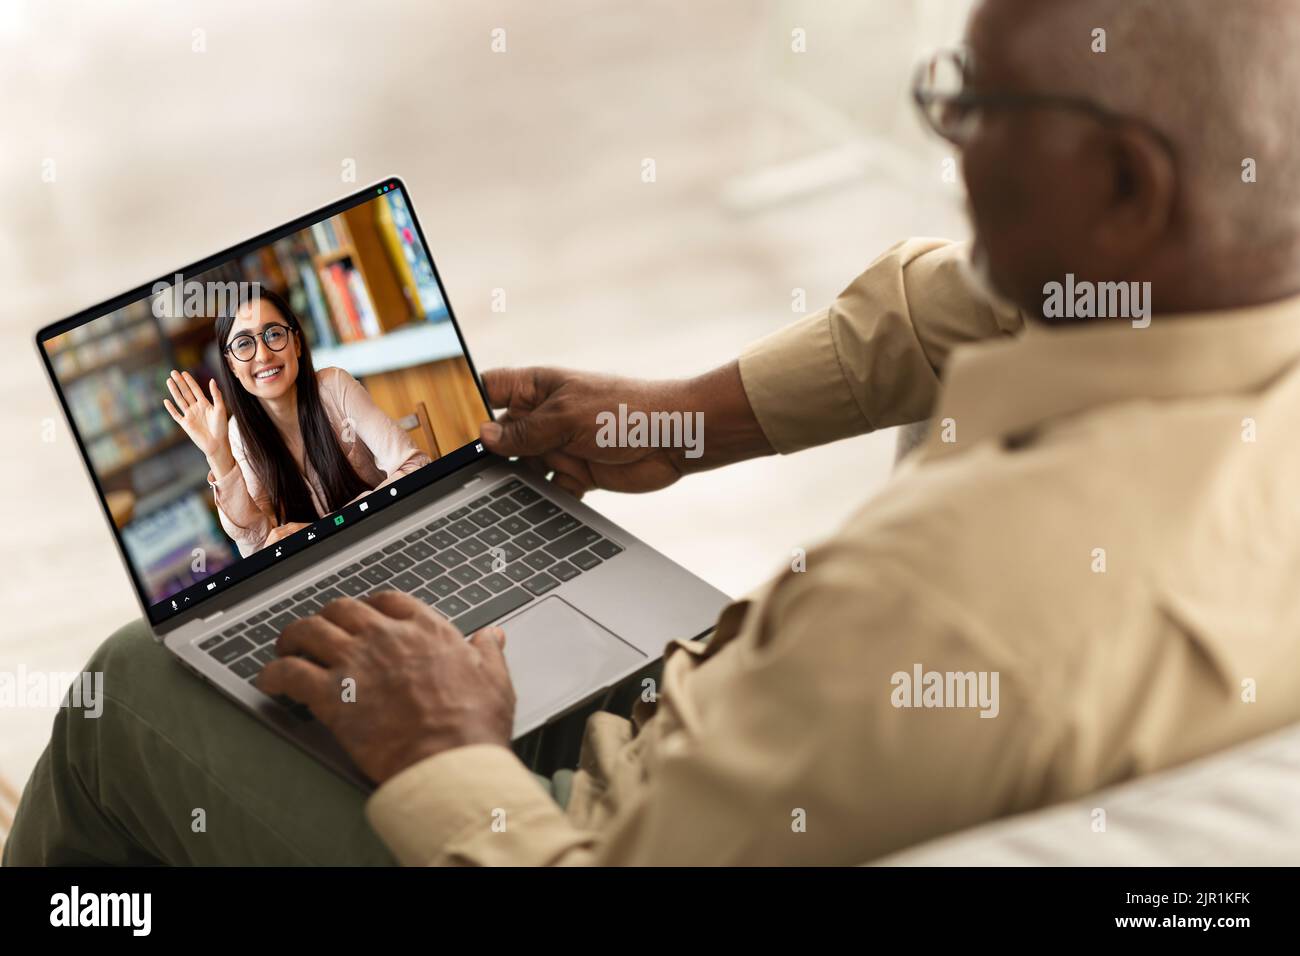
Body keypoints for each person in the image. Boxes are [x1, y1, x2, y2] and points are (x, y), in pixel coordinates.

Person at [9, 0, 1300, 865]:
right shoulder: (1226, 291)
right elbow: (962, 305)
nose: (952, 142)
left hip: (596, 822)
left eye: (977, 108)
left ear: (1129, 186)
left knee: (135, 692)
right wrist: (685, 418)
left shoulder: (943, 602)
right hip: (751, 724)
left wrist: (439, 748)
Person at [163, 288, 430, 557]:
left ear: (297, 344)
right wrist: (218, 455)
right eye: (244, 343)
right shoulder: (238, 436)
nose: (263, 355)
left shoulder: (335, 387)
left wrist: (323, 530)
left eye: (274, 334)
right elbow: (256, 549)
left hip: (388, 539)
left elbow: (415, 467)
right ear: (231, 365)